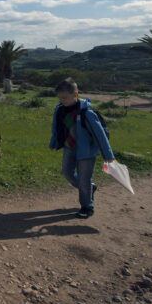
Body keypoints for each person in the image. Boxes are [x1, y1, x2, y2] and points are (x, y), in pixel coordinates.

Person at [49, 78, 115, 218]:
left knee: (84, 179)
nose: (62, 101)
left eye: (65, 98)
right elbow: (57, 128)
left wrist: (108, 155)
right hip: (69, 148)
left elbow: (100, 135)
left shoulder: (87, 112)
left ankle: (87, 206)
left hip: (87, 151)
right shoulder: (60, 110)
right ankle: (89, 189)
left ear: (76, 94)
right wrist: (54, 142)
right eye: (60, 98)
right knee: (67, 173)